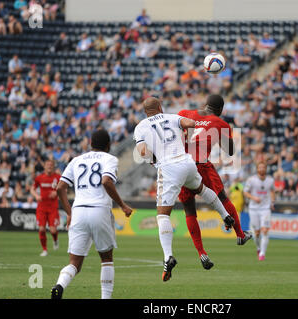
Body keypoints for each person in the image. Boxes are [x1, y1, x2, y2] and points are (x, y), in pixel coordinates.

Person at [133, 97, 234, 281]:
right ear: (160, 107)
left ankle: (168, 257)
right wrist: (186, 135)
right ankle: (224, 215)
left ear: (145, 111)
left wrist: (151, 158)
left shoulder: (141, 126)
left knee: (163, 215)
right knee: (202, 189)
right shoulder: (172, 117)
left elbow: (141, 151)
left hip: (168, 168)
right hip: (187, 162)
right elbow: (191, 123)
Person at [51, 129, 133, 299]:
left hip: (78, 211)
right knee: (106, 259)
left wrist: (68, 213)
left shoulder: (77, 160)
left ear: (90, 143)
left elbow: (60, 187)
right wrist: (123, 205)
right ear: (109, 145)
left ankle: (59, 285)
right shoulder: (110, 159)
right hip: (99, 210)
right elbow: (106, 181)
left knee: (74, 263)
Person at [177, 95, 252, 269]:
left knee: (189, 210)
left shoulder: (184, 113)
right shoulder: (220, 124)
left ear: (205, 104)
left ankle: (202, 253)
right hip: (201, 165)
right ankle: (240, 234)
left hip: (180, 166)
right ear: (220, 110)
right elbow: (230, 151)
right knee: (223, 198)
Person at [243, 162, 275, 261]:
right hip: (253, 209)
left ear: (266, 169)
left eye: (263, 167)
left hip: (265, 208)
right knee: (256, 233)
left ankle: (262, 254)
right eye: (260, 167)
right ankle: (258, 248)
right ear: (257, 169)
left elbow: (272, 191)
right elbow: (245, 192)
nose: (261, 169)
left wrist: (272, 202)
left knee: (264, 230)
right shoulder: (251, 180)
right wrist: (254, 198)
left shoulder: (270, 180)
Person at [31, 160, 61, 257]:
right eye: (47, 165)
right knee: (42, 229)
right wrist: (36, 196)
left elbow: (64, 188)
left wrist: (56, 193)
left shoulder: (57, 177)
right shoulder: (39, 178)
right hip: (41, 207)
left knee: (53, 230)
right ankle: (44, 250)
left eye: (51, 165)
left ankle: (55, 240)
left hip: (53, 207)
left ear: (53, 167)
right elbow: (32, 189)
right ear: (44, 167)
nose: (49, 166)